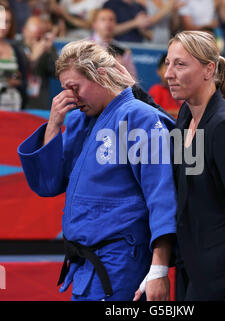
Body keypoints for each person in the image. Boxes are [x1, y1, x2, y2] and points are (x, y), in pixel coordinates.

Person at [17, 40, 176, 301]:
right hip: (85, 267)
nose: (70, 97)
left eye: (75, 87)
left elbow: (162, 196)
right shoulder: (80, 119)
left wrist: (158, 269)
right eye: (65, 89)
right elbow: (48, 184)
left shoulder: (139, 117)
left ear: (101, 74)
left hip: (121, 264)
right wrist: (54, 125)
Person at [164, 31, 225, 300]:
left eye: (180, 64)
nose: (168, 73)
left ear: (209, 70)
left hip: (222, 281)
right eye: (168, 63)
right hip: (189, 272)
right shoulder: (185, 115)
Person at [18, 16, 58, 110]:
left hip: (40, 103)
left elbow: (57, 72)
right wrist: (33, 58)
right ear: (24, 31)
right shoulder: (16, 48)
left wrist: (49, 52)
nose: (34, 41)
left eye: (38, 37)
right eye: (32, 37)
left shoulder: (46, 49)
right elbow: (16, 73)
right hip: (20, 102)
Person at [90, 8, 137, 79]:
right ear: (94, 24)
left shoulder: (122, 50)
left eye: (111, 20)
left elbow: (132, 80)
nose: (108, 23)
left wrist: (121, 70)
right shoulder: (84, 46)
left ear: (115, 24)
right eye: (103, 19)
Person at [0, 4, 27, 110]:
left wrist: (17, 81)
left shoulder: (16, 50)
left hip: (12, 106)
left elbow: (24, 81)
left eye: (7, 22)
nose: (3, 26)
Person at [149, 53, 182, 118]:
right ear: (158, 71)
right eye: (166, 67)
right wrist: (175, 112)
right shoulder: (156, 90)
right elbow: (153, 113)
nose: (170, 72)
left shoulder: (183, 90)